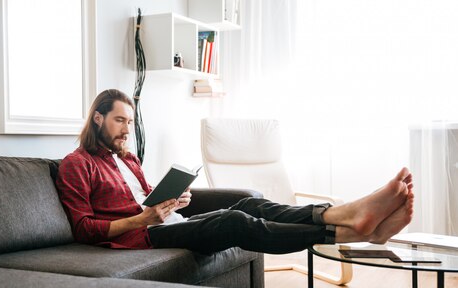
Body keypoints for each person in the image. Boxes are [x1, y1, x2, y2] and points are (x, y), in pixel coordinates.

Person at [56, 89, 414, 255]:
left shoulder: (129, 159)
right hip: (141, 238)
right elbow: (84, 230)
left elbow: (148, 200)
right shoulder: (76, 164)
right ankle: (351, 231)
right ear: (98, 118)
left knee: (248, 202)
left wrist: (173, 201)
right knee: (234, 221)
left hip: (163, 222)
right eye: (120, 121)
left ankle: (347, 215)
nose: (127, 130)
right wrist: (144, 220)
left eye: (130, 122)